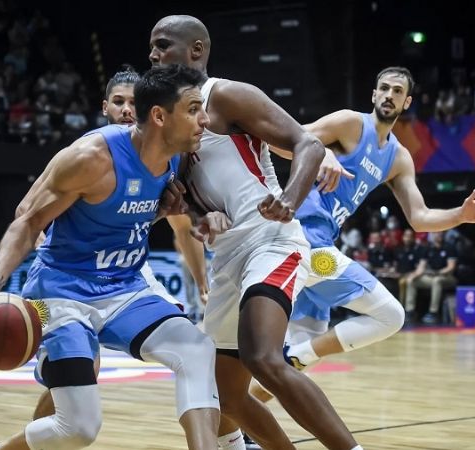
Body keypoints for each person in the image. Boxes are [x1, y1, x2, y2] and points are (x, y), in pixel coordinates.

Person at [0, 64, 221, 450]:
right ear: (160, 116)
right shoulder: (92, 157)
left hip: (125, 286)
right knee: (78, 427)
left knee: (196, 349)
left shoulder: (177, 159)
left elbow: (169, 219)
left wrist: (187, 216)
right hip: (61, 292)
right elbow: (27, 220)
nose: (205, 120)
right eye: (194, 109)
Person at [150, 15, 362, 450]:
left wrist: (289, 201)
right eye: (151, 47)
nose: (153, 55)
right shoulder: (169, 125)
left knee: (262, 357)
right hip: (227, 259)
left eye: (163, 45)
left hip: (271, 242)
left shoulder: (226, 95)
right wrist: (194, 215)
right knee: (224, 394)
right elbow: (187, 207)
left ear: (196, 50)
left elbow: (308, 144)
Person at [246, 68, 475, 412]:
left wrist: (459, 216)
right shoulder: (350, 123)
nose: (389, 95)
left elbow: (419, 216)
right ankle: (283, 364)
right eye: (384, 88)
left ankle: (242, 416)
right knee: (390, 316)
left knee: (298, 359)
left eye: (397, 91)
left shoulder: (398, 158)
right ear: (374, 95)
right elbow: (283, 138)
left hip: (321, 244)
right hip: (304, 240)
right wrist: (318, 151)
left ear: (407, 102)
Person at [28, 66, 216, 422]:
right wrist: (39, 239)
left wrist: (202, 284)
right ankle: (40, 433)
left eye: (132, 102)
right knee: (81, 378)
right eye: (119, 102)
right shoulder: (88, 153)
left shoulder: (164, 155)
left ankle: (229, 436)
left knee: (194, 349)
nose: (127, 109)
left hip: (126, 275)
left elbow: (181, 227)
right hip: (70, 277)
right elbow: (29, 212)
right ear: (105, 107)